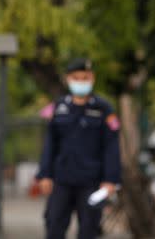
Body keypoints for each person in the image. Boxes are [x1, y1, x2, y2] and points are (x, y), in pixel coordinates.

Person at [37, 59, 121, 239]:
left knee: (89, 229)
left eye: (85, 78)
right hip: (62, 179)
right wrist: (45, 174)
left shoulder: (104, 109)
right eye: (76, 78)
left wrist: (110, 180)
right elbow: (50, 145)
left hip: (91, 181)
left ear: (92, 78)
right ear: (68, 79)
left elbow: (111, 147)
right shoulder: (59, 107)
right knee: (53, 226)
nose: (81, 82)